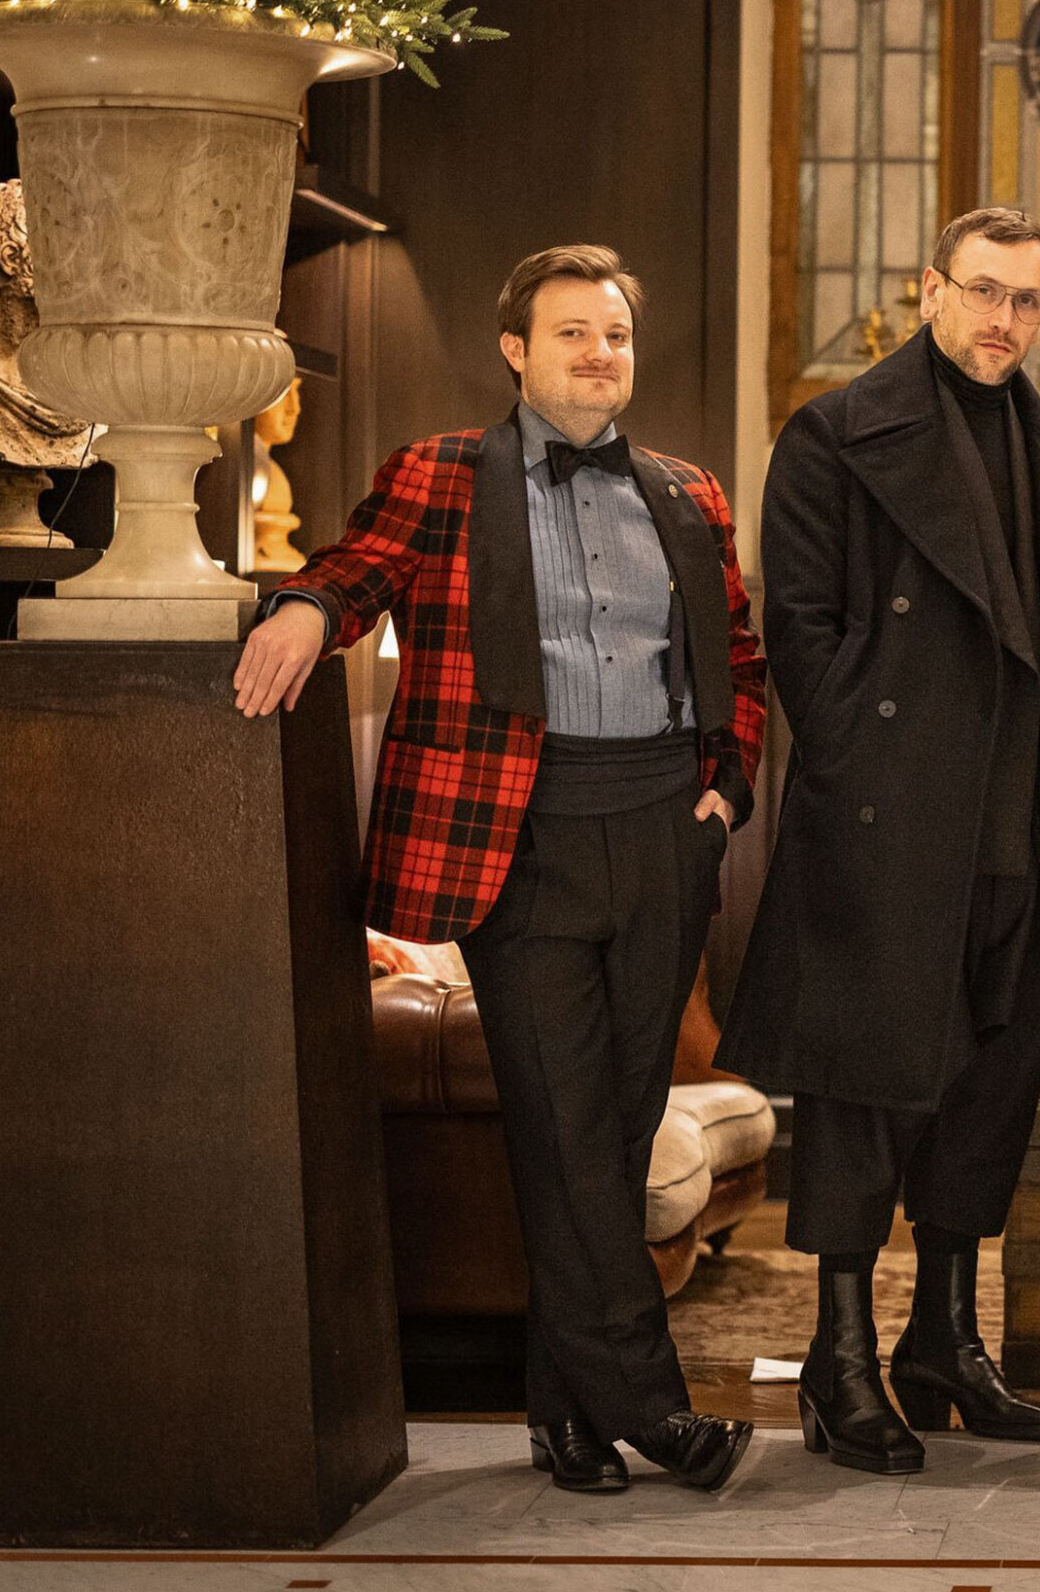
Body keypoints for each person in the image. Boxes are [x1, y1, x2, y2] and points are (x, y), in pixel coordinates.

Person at [232, 244, 767, 1496]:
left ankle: (561, 1415)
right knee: (563, 1123)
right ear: (516, 351)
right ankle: (655, 1409)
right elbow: (357, 568)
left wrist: (725, 791)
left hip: (663, 833)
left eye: (615, 334)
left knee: (611, 1130)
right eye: (571, 331)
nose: (599, 353)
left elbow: (736, 658)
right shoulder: (439, 471)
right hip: (512, 841)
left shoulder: (689, 492)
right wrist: (305, 609)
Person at [718, 207, 1040, 1474]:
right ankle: (838, 1360)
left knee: (986, 1098)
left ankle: (942, 1340)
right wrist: (861, 760)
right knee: (861, 1101)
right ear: (929, 289)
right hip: (889, 825)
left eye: (1028, 300)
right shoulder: (835, 434)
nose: (1005, 319)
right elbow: (800, 631)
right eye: (983, 291)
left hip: (1022, 833)